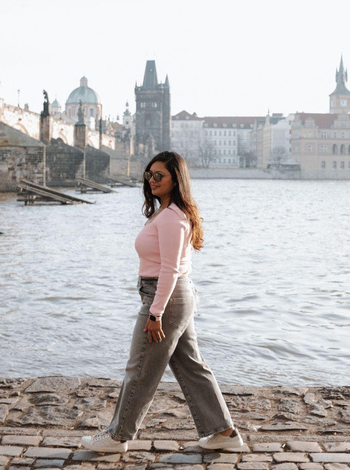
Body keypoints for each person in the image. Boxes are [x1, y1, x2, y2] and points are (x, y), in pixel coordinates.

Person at [81, 151, 243, 453]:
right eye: (149, 175)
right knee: (191, 365)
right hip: (174, 295)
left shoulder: (171, 217)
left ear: (175, 180)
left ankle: (117, 437)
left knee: (140, 368)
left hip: (164, 298)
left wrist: (155, 313)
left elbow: (169, 269)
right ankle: (225, 433)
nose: (152, 180)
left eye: (160, 176)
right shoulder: (169, 212)